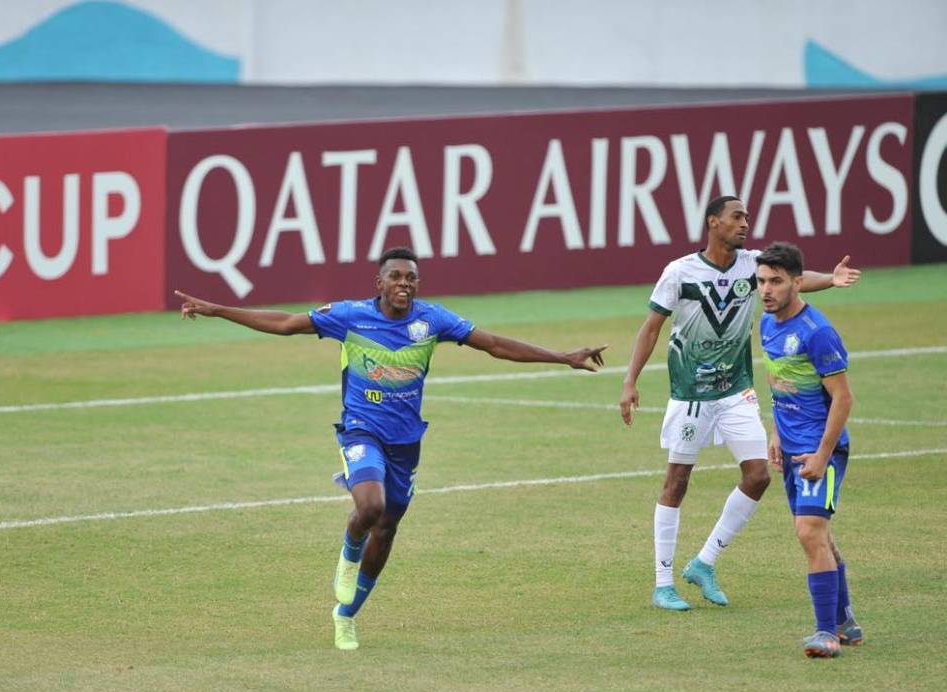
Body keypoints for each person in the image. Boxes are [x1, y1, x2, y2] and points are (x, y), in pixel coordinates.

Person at [176, 246, 607, 650]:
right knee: (369, 507)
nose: (404, 283)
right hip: (360, 430)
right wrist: (217, 311)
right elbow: (286, 323)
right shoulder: (349, 316)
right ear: (378, 282)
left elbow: (494, 345)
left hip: (406, 443)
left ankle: (346, 615)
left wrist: (561, 356)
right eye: (395, 276)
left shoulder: (432, 321)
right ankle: (347, 557)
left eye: (412, 278)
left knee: (387, 528)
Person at [619, 196, 860, 612]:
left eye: (747, 217)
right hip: (691, 393)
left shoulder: (753, 266)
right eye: (737, 217)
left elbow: (792, 280)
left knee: (758, 476)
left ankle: (704, 562)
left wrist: (831, 279)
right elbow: (651, 326)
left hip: (737, 393)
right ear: (713, 223)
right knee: (676, 482)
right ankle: (663, 583)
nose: (745, 223)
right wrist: (630, 380)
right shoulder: (679, 271)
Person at [757, 242, 862, 658]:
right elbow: (782, 385)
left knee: (809, 532)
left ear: (798, 283)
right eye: (762, 280)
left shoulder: (817, 333)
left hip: (822, 452)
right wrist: (777, 433)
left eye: (776, 281)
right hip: (792, 447)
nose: (766, 289)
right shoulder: (766, 325)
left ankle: (826, 634)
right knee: (819, 536)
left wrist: (821, 455)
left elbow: (843, 398)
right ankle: (846, 623)